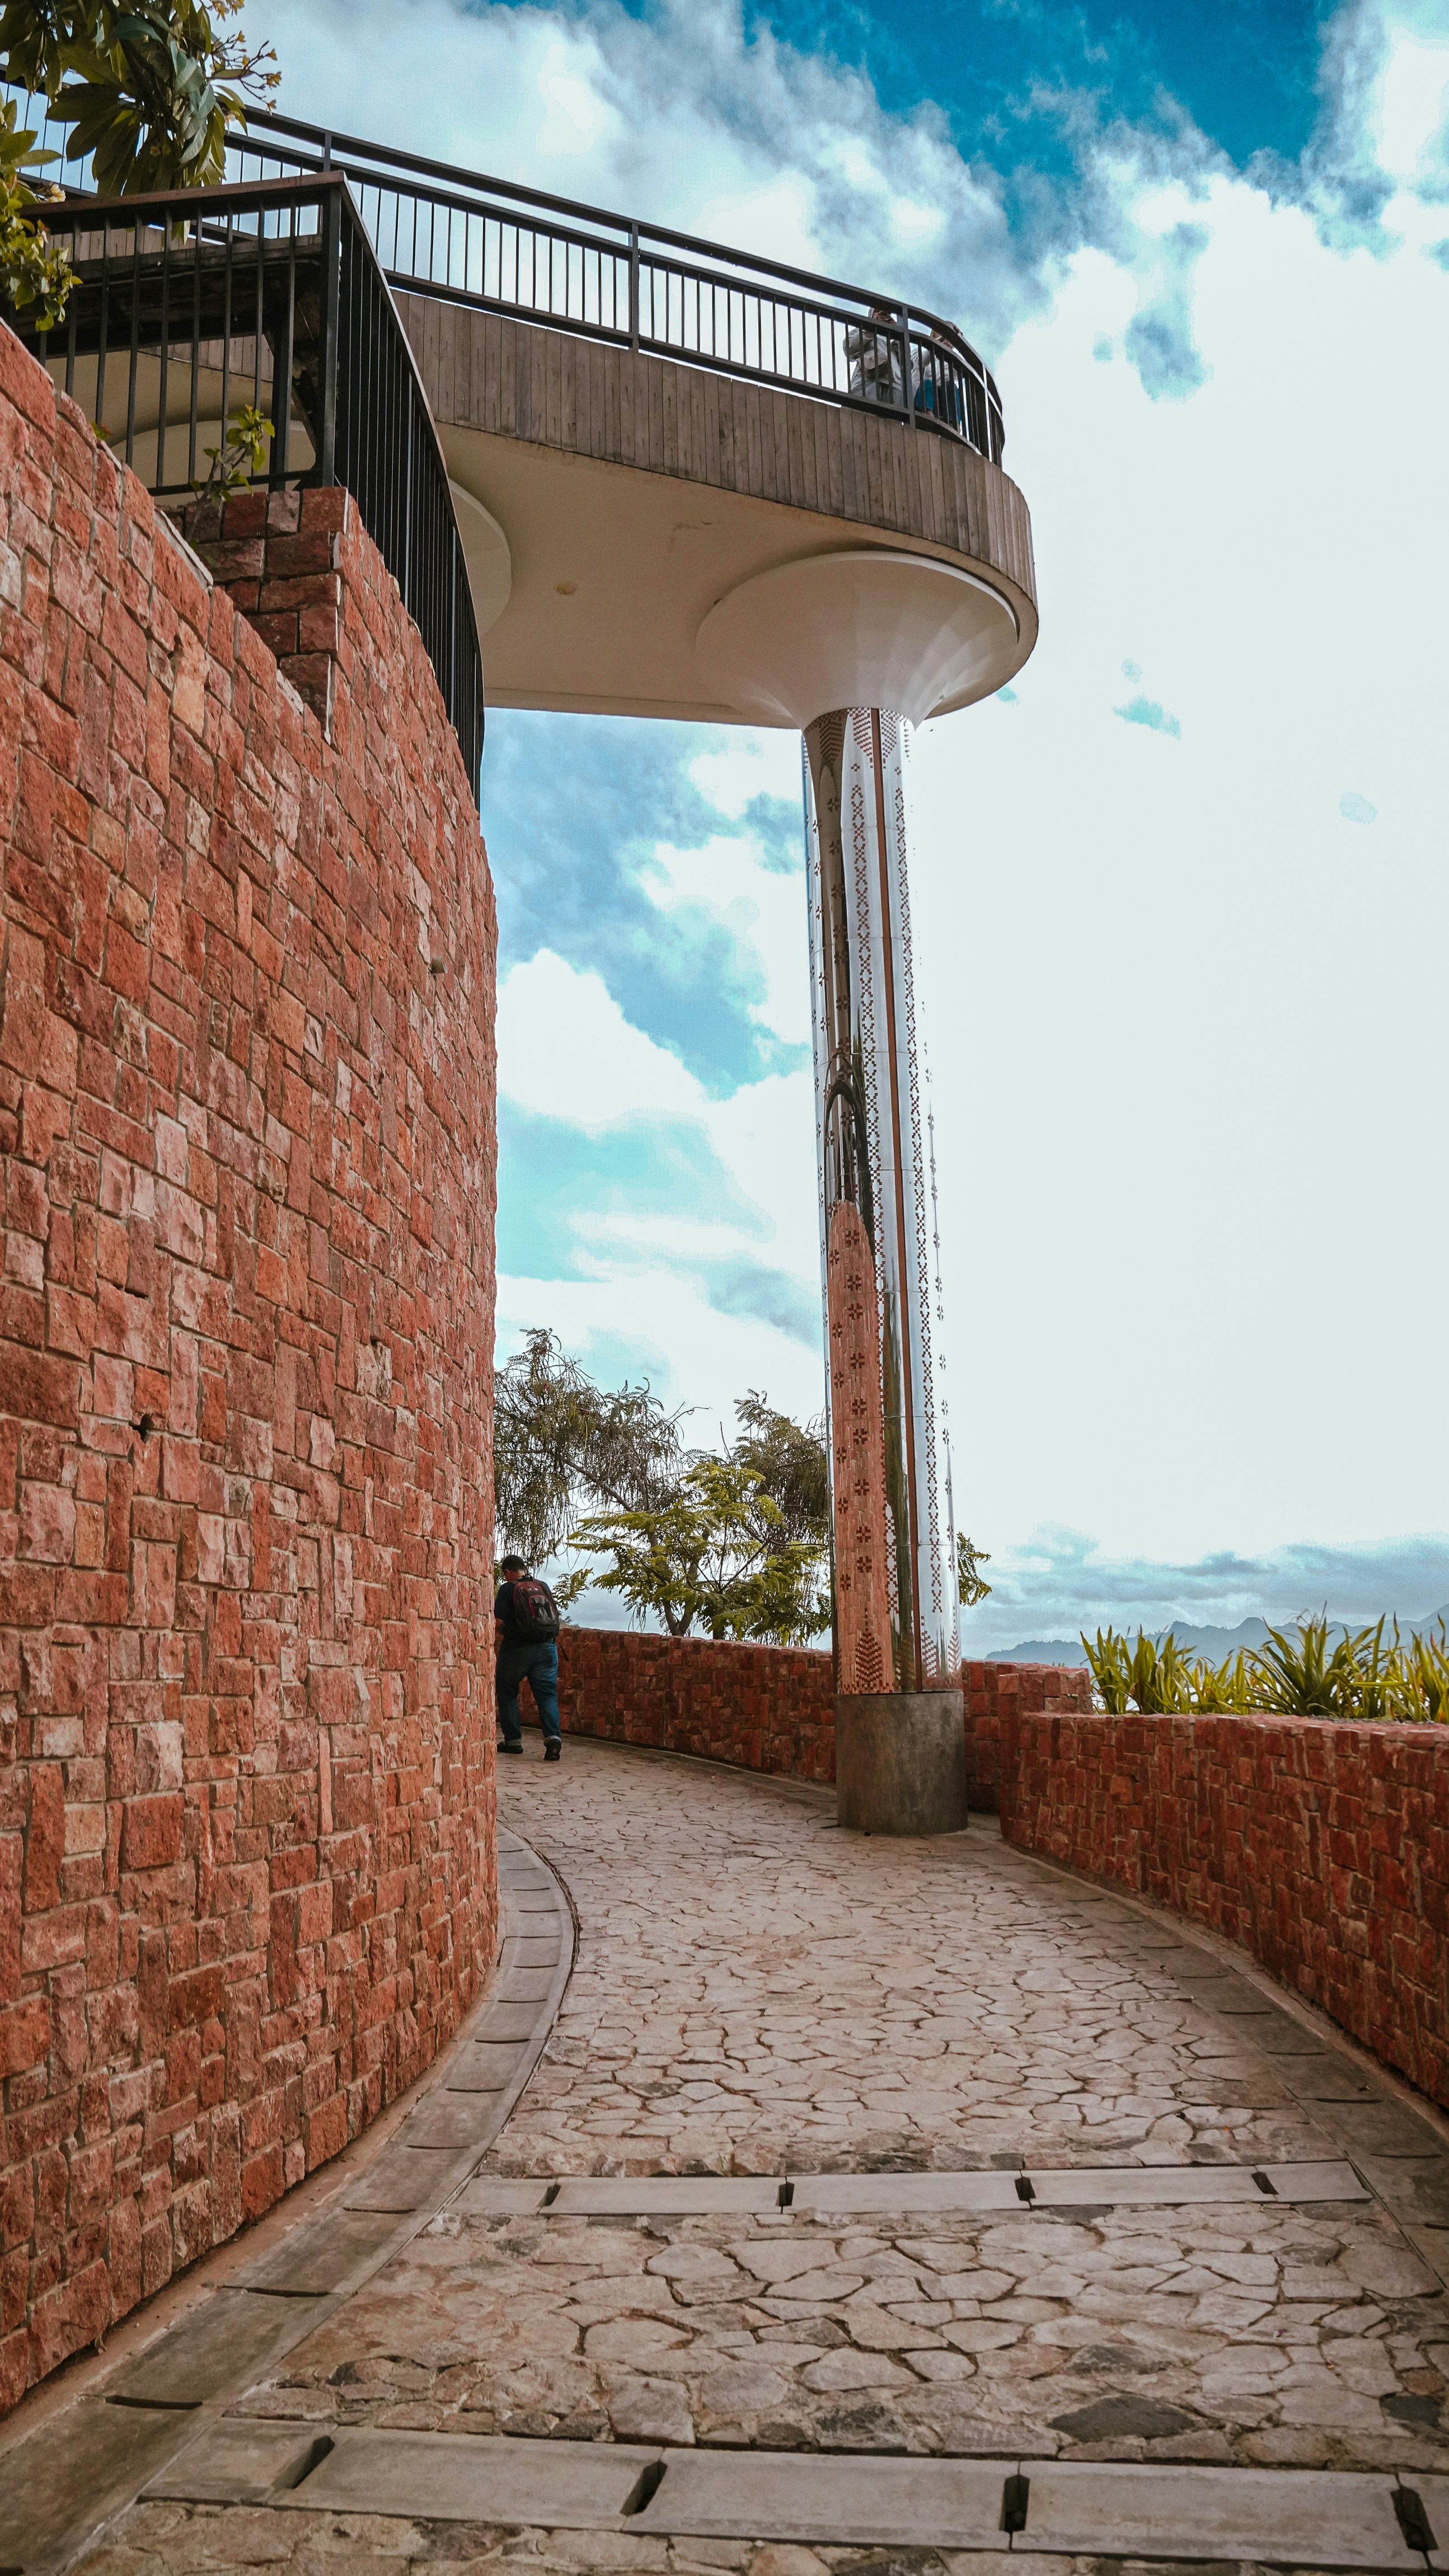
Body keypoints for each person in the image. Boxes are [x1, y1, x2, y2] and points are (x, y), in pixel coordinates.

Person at [495, 1553, 564, 1761]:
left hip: (516, 1650)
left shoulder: (508, 1588)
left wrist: (502, 1635)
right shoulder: (542, 1586)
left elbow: (498, 1623)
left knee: (507, 1693)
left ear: (507, 1573)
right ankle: (553, 1738)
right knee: (547, 1695)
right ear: (524, 1569)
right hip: (547, 1648)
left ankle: (513, 1741)